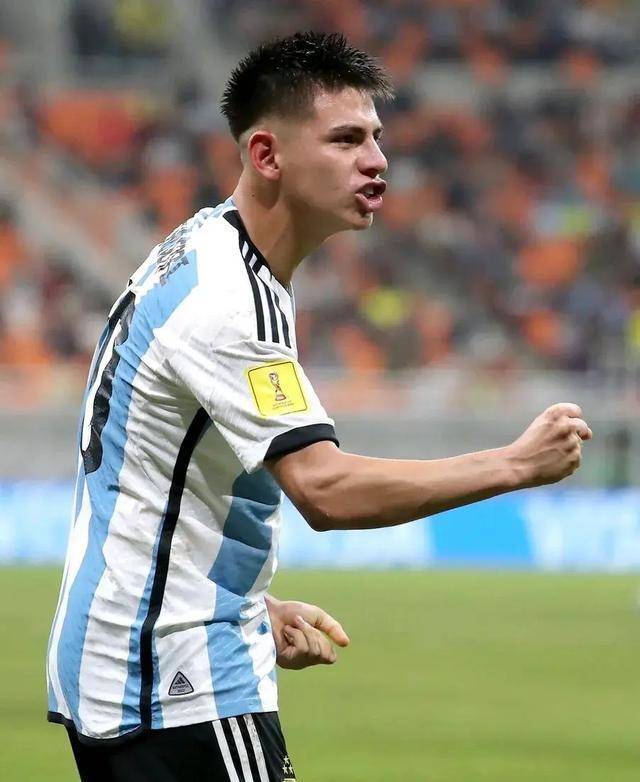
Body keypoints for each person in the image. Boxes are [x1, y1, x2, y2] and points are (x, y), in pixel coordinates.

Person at [46, 31, 592, 782]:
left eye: (375, 137)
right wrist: (515, 464)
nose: (377, 160)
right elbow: (325, 490)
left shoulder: (204, 249)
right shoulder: (230, 300)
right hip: (179, 683)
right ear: (267, 155)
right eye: (345, 140)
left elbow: (145, 478)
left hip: (123, 662)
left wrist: (249, 607)